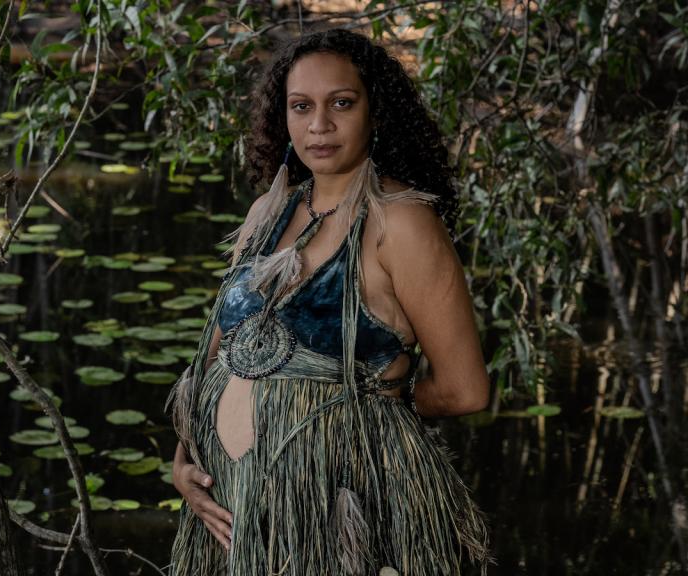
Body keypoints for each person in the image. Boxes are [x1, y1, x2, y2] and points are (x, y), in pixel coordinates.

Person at [165, 28, 493, 576]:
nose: (319, 125)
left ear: (375, 111)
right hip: (235, 516)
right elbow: (215, 358)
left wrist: (352, 411)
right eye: (301, 106)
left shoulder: (403, 223)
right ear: (283, 118)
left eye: (341, 103)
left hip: (341, 517)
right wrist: (183, 464)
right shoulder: (265, 216)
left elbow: (465, 389)